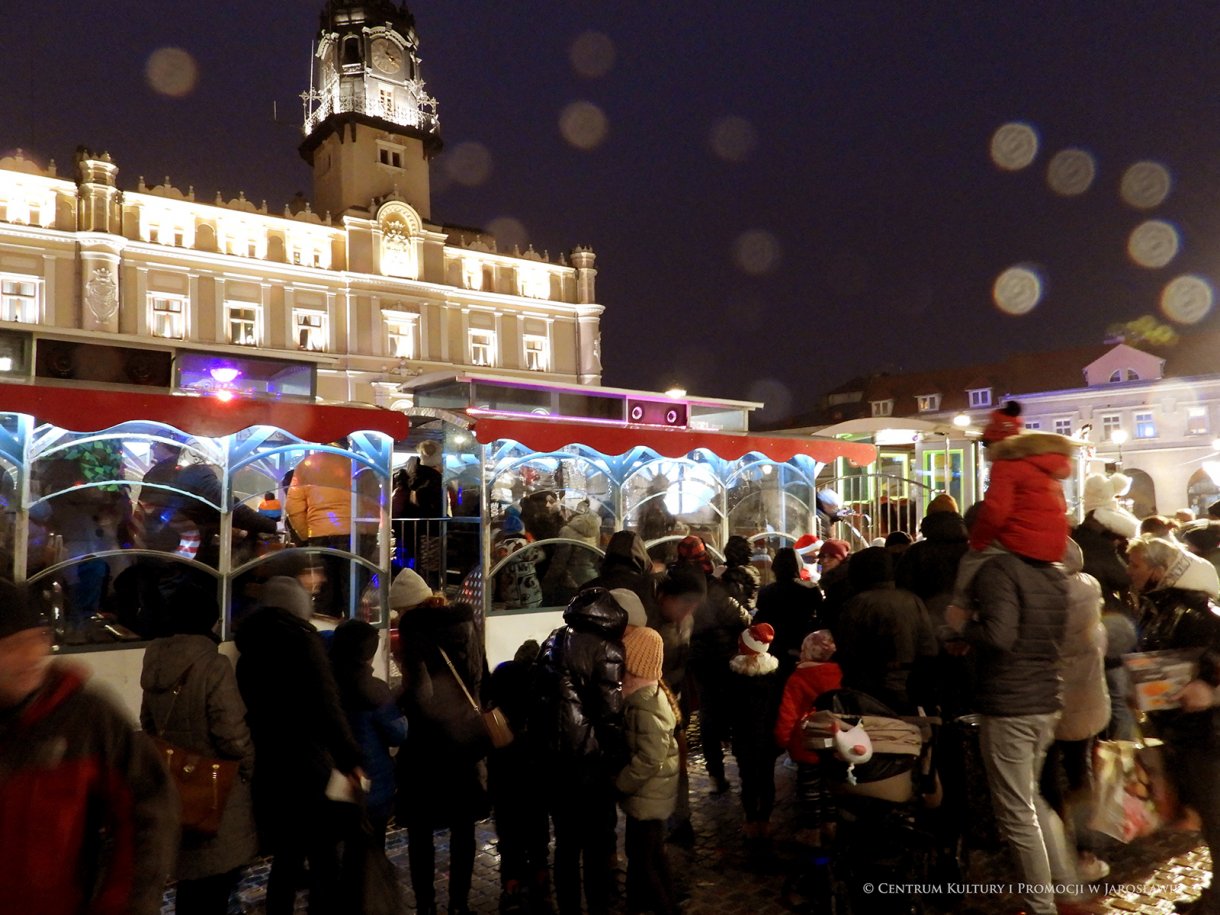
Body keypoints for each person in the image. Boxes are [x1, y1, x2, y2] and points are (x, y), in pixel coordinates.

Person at [0, 578, 177, 915]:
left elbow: (150, 810)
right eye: (10, 647)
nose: (31, 656)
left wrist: (127, 903)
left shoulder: (84, 717)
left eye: (35, 639)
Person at [945, 543, 1080, 915]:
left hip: (1011, 703)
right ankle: (1066, 888)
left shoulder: (999, 570)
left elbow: (1000, 635)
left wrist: (962, 623)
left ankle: (1042, 906)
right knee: (1031, 798)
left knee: (1017, 812)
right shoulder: (1051, 570)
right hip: (1045, 697)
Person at [235, 575, 364, 915]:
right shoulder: (303, 643)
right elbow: (327, 707)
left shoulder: (248, 647)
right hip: (309, 765)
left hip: (270, 764)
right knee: (324, 854)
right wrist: (350, 757)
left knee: (287, 855)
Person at [140, 586, 257, 915]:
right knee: (215, 880)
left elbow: (147, 723)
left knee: (190, 881)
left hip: (176, 783)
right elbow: (231, 734)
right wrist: (248, 765)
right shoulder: (214, 666)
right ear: (211, 620)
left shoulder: (155, 660)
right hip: (214, 785)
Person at [1128, 536, 1220, 915]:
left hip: (1209, 736)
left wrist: (1212, 694)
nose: (1128, 572)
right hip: (1183, 733)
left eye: (1134, 565)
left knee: (1216, 820)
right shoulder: (1161, 609)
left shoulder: (1200, 615)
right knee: (1206, 820)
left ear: (1158, 571)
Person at [532, 588, 628, 915]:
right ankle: (600, 905)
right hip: (589, 762)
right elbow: (610, 714)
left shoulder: (554, 638)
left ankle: (569, 908)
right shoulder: (607, 648)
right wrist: (617, 759)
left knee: (566, 845)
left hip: (553, 758)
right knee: (598, 842)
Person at [396, 591, 490, 915]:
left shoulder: (412, 630)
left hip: (425, 748)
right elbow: (483, 680)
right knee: (463, 830)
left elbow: (419, 693)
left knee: (420, 834)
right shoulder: (467, 624)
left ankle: (426, 906)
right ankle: (459, 905)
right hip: (464, 742)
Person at [1039, 539, 1111, 884]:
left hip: (1048, 696)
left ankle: (1057, 854)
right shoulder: (1090, 587)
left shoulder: (1043, 591)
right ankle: (1087, 852)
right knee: (1080, 773)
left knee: (1047, 774)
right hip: (1087, 696)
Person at [616, 625, 682, 915]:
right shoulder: (645, 697)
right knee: (648, 855)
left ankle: (664, 907)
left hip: (649, 795)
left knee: (646, 859)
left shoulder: (645, 704)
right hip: (649, 797)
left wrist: (621, 783)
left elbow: (650, 757)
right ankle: (639, 903)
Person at [328, 619, 408, 847]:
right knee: (372, 850)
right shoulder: (375, 689)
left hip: (332, 782)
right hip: (372, 783)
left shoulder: (324, 684)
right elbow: (398, 734)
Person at [488, 639, 552, 915]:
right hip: (535, 779)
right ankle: (540, 881)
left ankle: (512, 886)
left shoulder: (497, 718)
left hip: (504, 784)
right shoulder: (539, 704)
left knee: (509, 835)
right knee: (537, 831)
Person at [684, 534, 750, 797]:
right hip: (725, 659)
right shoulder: (717, 588)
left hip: (698, 661)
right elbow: (742, 618)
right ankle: (745, 772)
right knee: (736, 714)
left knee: (709, 715)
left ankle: (715, 775)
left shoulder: (678, 586)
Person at [836, 546, 937, 713]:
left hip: (870, 691)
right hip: (911, 687)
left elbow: (848, 651)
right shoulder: (912, 600)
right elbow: (928, 648)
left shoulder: (857, 604)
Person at [284, 442, 379, 616]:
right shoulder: (359, 463)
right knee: (354, 592)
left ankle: (326, 635)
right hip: (356, 536)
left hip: (319, 537)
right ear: (346, 443)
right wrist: (369, 535)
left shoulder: (306, 465)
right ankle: (353, 634)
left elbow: (293, 506)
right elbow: (373, 503)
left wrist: (306, 535)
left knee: (325, 593)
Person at [649, 565, 704, 847]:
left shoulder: (686, 621)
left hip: (675, 704)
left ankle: (680, 820)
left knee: (678, 763)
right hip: (650, 708)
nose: (687, 613)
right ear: (666, 597)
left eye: (692, 607)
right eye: (684, 605)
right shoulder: (649, 625)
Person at [774, 630, 843, 849]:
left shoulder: (798, 678)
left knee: (810, 790)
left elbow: (788, 712)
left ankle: (812, 832)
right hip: (834, 741)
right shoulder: (839, 673)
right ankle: (831, 826)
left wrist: (781, 739)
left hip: (808, 745)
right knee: (830, 786)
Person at [727, 622, 783, 861]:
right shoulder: (776, 675)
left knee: (748, 779)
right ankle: (765, 820)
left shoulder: (733, 675)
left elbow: (727, 710)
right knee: (766, 778)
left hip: (744, 738)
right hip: (768, 738)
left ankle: (751, 821)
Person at [753, 547, 823, 681]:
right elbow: (819, 619)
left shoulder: (766, 592)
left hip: (773, 650)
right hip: (802, 649)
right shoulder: (811, 590)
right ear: (798, 565)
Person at [815, 539, 853, 634]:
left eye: (832, 557)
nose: (825, 561)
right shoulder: (831, 579)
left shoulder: (844, 581)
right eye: (822, 556)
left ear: (841, 559)